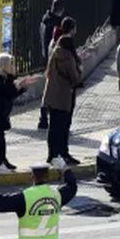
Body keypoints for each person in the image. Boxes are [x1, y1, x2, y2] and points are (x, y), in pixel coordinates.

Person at [43, 17, 83, 167]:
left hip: (53, 95)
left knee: (54, 126)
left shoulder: (55, 52)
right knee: (63, 126)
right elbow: (75, 77)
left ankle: (52, 154)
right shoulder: (67, 56)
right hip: (64, 95)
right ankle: (61, 153)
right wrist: (80, 69)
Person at [38, 0, 66, 129]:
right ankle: (45, 117)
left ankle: (44, 116)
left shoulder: (45, 19)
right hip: (54, 58)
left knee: (48, 88)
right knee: (53, 90)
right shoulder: (56, 24)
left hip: (46, 56)